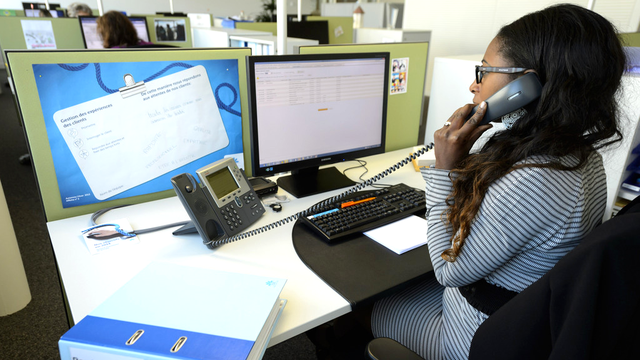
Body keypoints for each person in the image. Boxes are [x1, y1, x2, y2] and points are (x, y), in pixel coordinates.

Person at [370, 4, 626, 360]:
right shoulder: (581, 158)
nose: (474, 84)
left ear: (526, 85)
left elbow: (448, 270)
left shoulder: (533, 181)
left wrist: (444, 171)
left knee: (379, 308)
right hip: (522, 321)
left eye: (484, 71)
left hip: (477, 338)